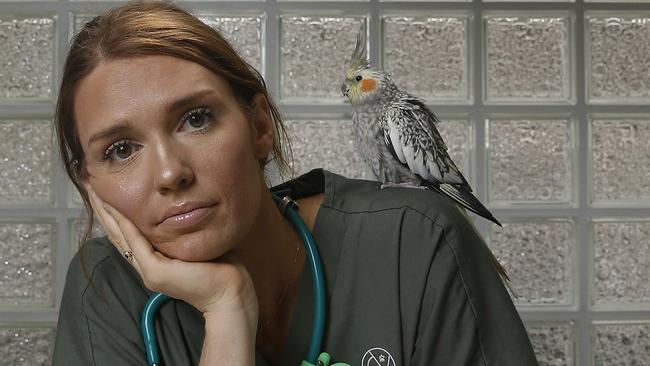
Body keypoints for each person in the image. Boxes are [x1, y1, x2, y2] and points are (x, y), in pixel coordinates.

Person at [52, 1, 539, 365]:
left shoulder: (414, 241)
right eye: (120, 150)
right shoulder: (104, 288)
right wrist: (227, 310)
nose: (169, 172)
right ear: (88, 181)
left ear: (260, 125)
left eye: (195, 119)